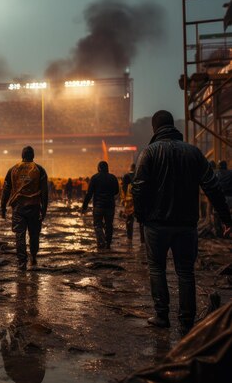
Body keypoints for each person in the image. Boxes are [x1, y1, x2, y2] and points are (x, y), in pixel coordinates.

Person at [132, 110, 232, 335]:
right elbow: (212, 187)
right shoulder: (194, 153)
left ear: (154, 128)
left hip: (156, 224)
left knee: (157, 269)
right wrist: (226, 219)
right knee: (185, 272)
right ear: (172, 127)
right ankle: (186, 321)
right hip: (186, 225)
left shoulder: (149, 152)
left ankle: (161, 316)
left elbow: (138, 187)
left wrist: (141, 216)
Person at [1, 146, 49, 270]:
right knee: (34, 234)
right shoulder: (39, 170)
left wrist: (3, 207)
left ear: (22, 156)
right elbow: (45, 192)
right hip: (34, 207)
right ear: (33, 156)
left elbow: (6, 190)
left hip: (18, 207)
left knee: (20, 235)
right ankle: (33, 256)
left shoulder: (13, 169)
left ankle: (21, 262)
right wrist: (44, 210)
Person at [81, 161, 119, 249]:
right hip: (110, 206)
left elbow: (89, 193)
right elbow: (116, 191)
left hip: (98, 206)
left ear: (98, 168)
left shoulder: (94, 178)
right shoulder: (113, 178)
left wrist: (84, 206)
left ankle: (101, 242)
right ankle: (108, 244)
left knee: (98, 225)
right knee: (109, 225)